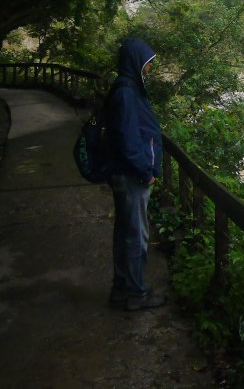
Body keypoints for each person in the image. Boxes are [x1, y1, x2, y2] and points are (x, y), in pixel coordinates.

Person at [106, 38, 167, 311]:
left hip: (125, 173)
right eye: (148, 63)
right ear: (136, 63)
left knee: (126, 233)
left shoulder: (127, 89)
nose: (150, 69)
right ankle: (135, 294)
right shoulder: (127, 92)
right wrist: (146, 171)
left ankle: (122, 288)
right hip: (132, 176)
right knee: (135, 236)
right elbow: (128, 139)